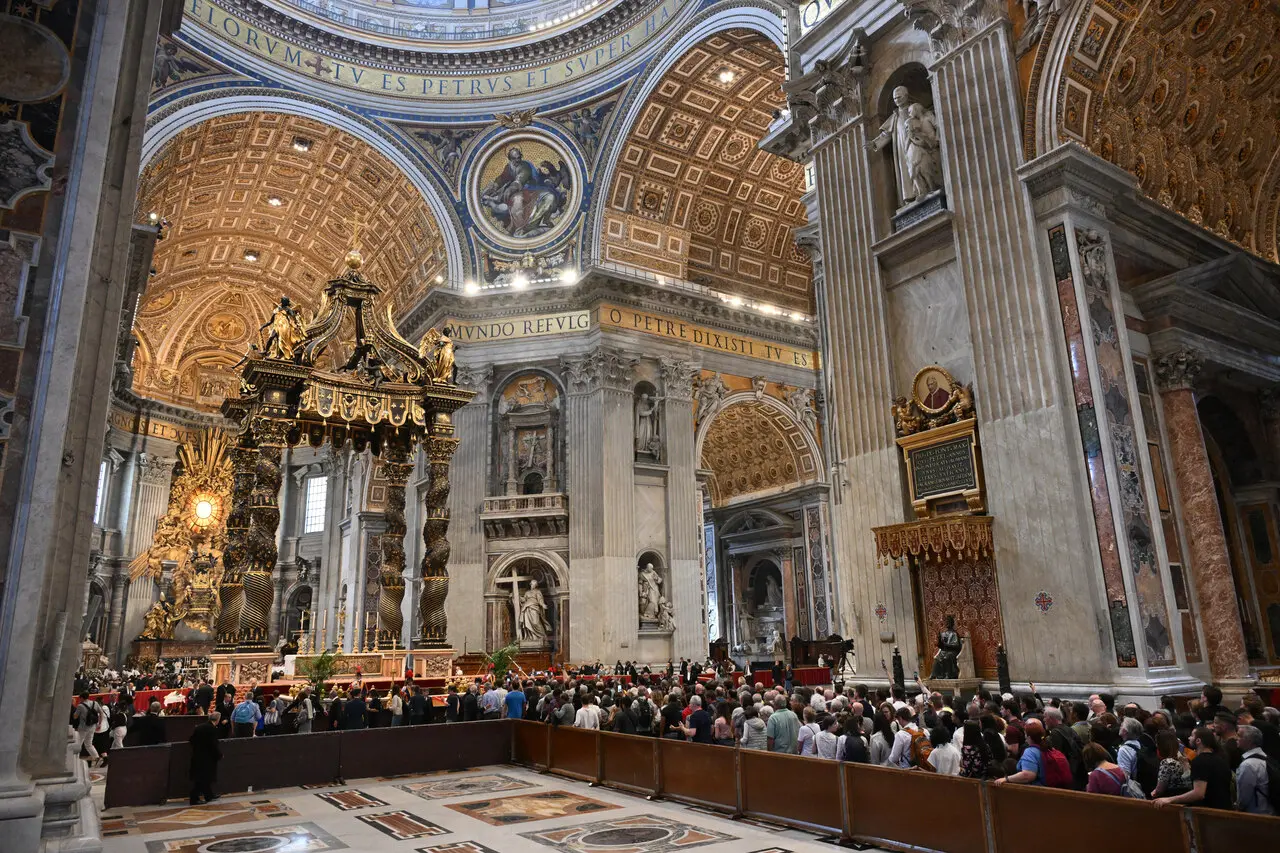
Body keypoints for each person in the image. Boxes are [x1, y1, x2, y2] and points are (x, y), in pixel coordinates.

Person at [1155, 727, 1233, 810]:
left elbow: (1198, 793)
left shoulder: (1200, 761)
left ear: (1198, 741)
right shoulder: (1220, 758)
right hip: (1225, 809)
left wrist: (1170, 799)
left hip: (1210, 812)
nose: (1189, 738)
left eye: (1192, 736)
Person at [1236, 724, 1276, 815]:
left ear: (1249, 741)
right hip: (1270, 810)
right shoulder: (1266, 758)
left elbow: (1244, 797)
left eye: (1239, 736)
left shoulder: (1248, 765)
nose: (1236, 738)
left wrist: (1237, 808)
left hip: (1256, 814)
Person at [993, 719, 1046, 786]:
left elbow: (1027, 775)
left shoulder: (1030, 751)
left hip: (1037, 790)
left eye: (1025, 734)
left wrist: (1006, 779)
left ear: (1029, 737)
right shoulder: (1049, 748)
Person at [188, 711, 223, 805]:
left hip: (197, 756)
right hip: (207, 758)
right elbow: (213, 745)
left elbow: (191, 740)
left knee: (204, 778)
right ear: (218, 720)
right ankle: (194, 799)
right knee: (202, 779)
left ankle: (209, 795)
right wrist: (219, 755)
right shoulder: (212, 729)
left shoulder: (199, 727)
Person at [1152, 729, 1191, 798]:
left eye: (1157, 743)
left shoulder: (1167, 763)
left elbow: (1159, 790)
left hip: (1170, 801)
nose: (1156, 745)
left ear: (1162, 746)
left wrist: (1152, 794)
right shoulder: (1185, 759)